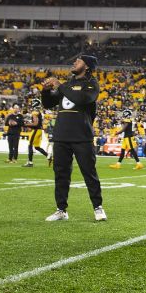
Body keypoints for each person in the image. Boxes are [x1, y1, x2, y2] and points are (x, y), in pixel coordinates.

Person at [40, 54, 105, 222]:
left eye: (79, 61)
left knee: (89, 173)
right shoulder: (68, 85)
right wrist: (45, 91)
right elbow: (48, 104)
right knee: (61, 174)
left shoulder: (92, 84)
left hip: (82, 136)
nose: (74, 62)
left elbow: (82, 99)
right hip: (61, 136)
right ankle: (61, 209)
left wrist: (60, 86)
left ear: (87, 66)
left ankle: (98, 207)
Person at [24, 101, 48, 167]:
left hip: (36, 130)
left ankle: (30, 162)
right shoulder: (39, 112)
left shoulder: (35, 112)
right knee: (37, 147)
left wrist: (26, 124)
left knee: (30, 145)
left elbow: (35, 124)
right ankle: (48, 156)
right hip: (40, 130)